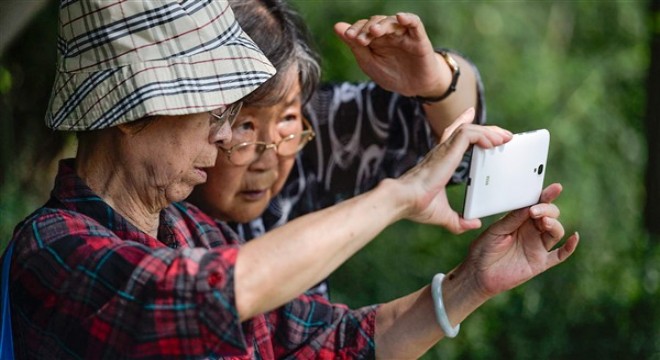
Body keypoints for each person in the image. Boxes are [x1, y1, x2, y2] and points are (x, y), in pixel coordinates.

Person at [1, 0, 579, 359]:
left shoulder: (194, 230)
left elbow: (332, 342)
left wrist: (470, 285)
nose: (226, 138)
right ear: (132, 112)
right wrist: (397, 197)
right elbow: (213, 296)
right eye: (215, 111)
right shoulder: (56, 248)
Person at [189, 0, 485, 295]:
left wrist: (435, 81)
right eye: (245, 125)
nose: (269, 156)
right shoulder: (158, 221)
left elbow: (452, 145)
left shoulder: (313, 136)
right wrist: (395, 199)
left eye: (288, 117)